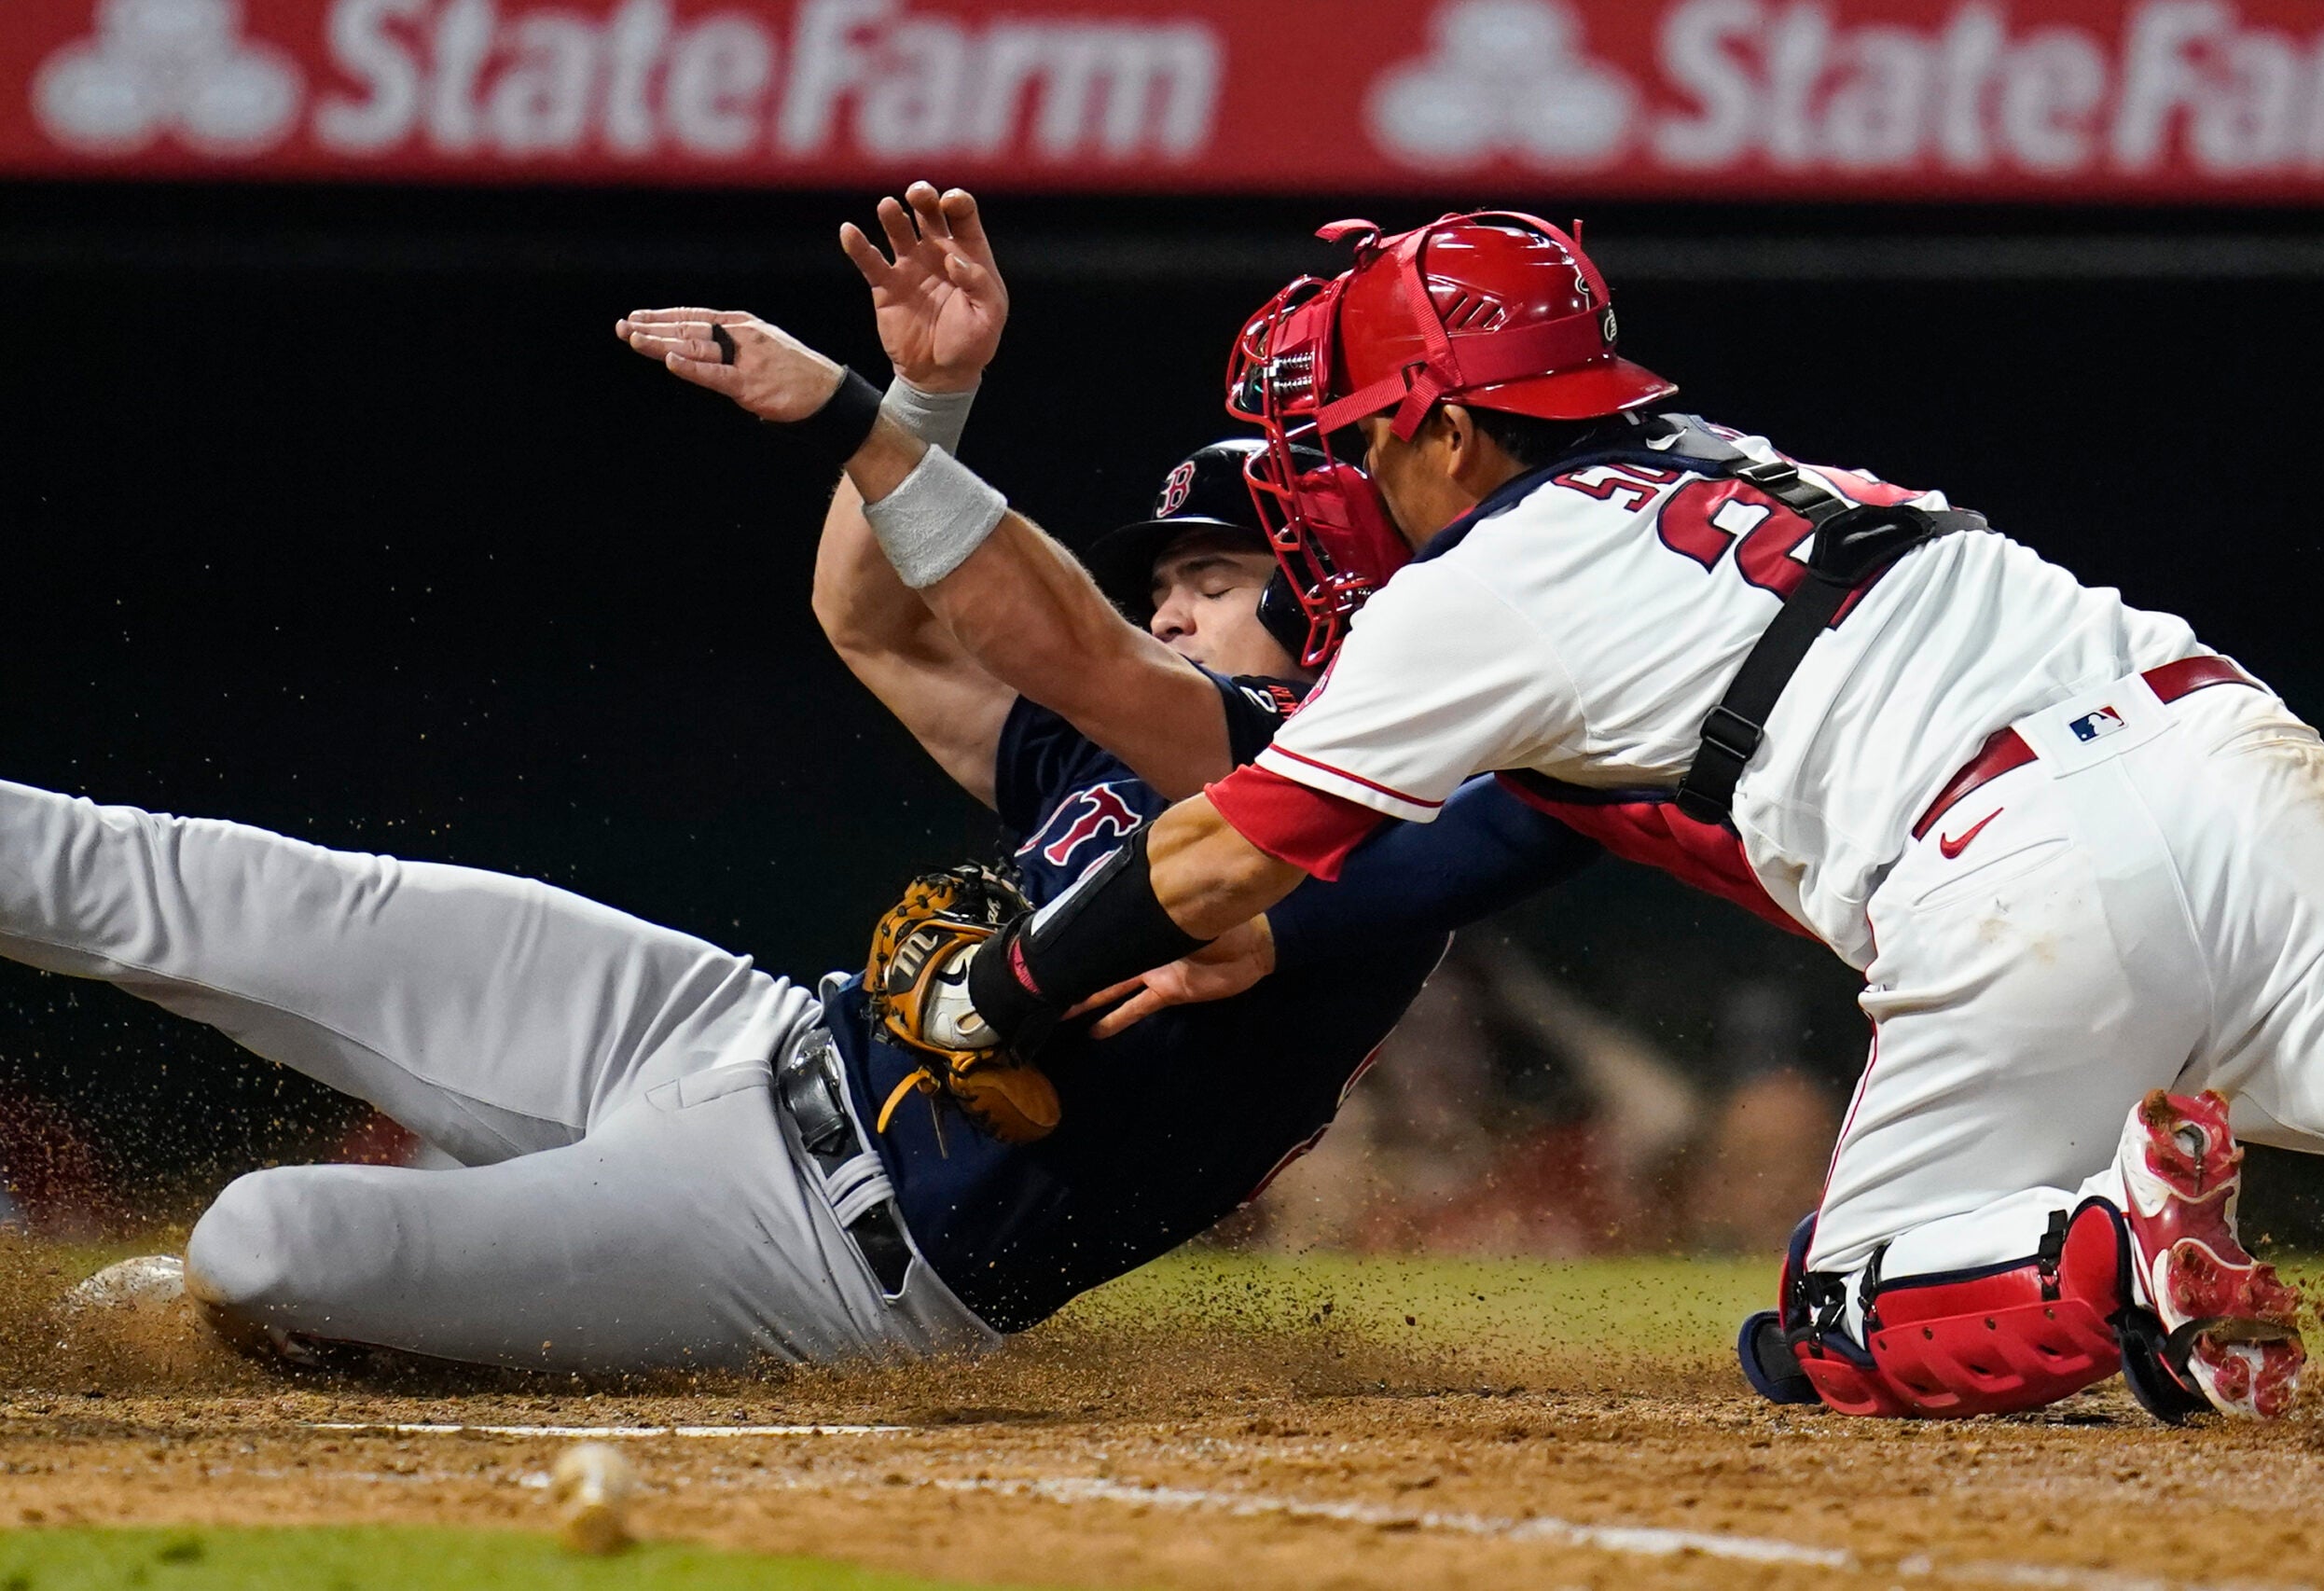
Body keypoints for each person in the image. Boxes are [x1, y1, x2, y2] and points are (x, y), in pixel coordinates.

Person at [835, 208, 2324, 1424]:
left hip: (2011, 858)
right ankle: (2143, 1272)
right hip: (2231, 747)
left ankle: (2116, 1258)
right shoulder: (1749, 464)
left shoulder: (1487, 580)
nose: (1339, 472)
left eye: (1361, 431)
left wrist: (1002, 986)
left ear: (1447, 428)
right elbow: (1498, 826)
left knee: (1835, 1327)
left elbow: (1232, 840)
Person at [18, 189, 1593, 1374]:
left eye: (1219, 575)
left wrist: (862, 418)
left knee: (262, 1238)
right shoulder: (1129, 741)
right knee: (171, 875)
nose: (1171, 603)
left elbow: (1069, 646)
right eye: (1162, 577)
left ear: (1329, 595)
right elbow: (879, 620)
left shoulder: (1370, 819)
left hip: (834, 1255)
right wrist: (925, 404)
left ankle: (425, 1325)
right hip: (746, 1025)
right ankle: (449, 1300)